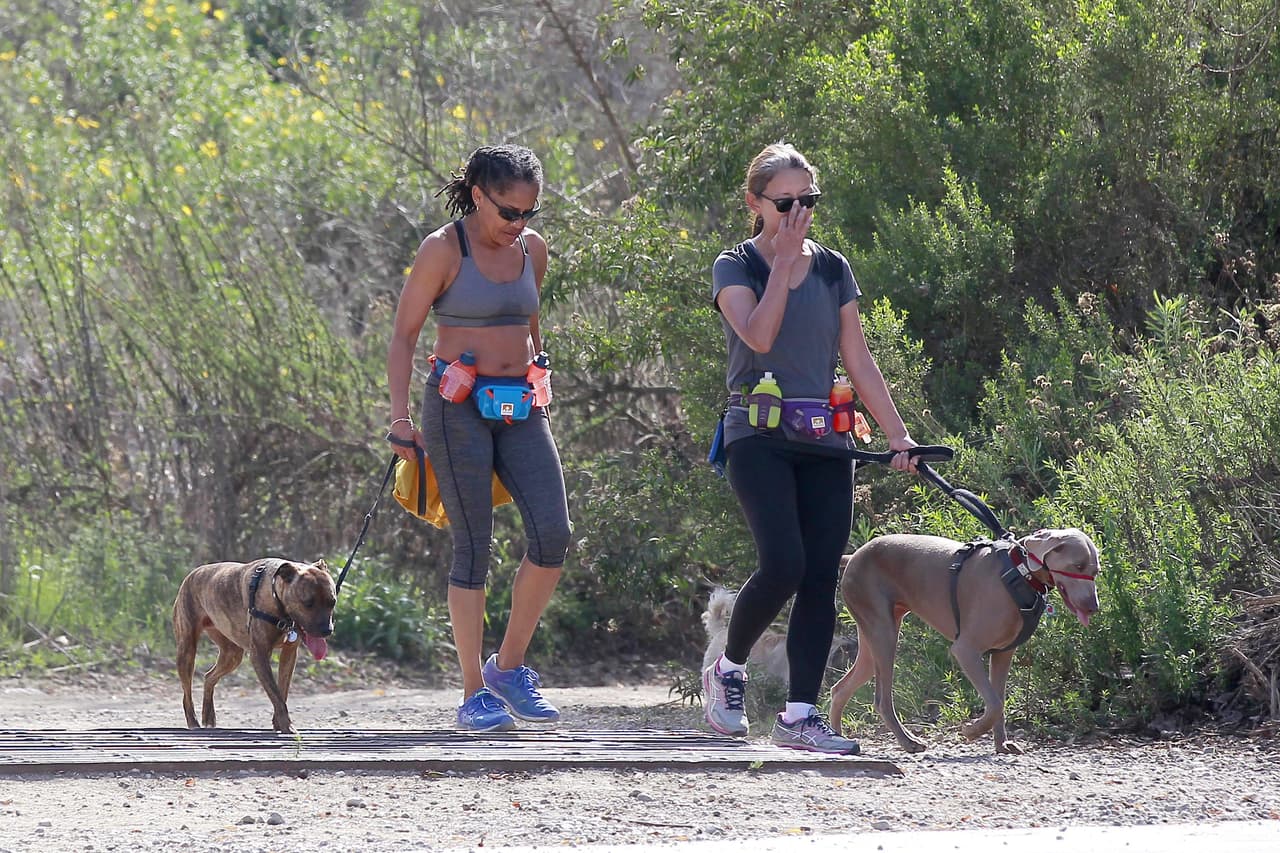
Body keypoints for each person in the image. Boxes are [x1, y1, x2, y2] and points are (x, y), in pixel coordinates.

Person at [704, 142, 918, 754]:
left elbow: (857, 355)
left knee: (822, 574)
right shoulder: (735, 265)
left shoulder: (832, 268)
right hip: (757, 435)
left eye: (808, 201)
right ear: (756, 203)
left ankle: (801, 715)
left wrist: (897, 433)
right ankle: (729, 669)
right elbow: (761, 335)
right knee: (784, 564)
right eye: (786, 202)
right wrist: (782, 263)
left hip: (826, 437)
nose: (799, 213)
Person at [387, 145, 570, 732]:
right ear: (478, 194)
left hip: (520, 407)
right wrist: (399, 419)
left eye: (528, 214)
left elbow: (530, 319)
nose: (517, 225)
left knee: (553, 534)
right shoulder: (443, 249)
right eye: (508, 212)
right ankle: (472, 693)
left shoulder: (531, 251)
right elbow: (404, 335)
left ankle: (508, 668)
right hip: (455, 408)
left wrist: (540, 370)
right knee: (474, 545)